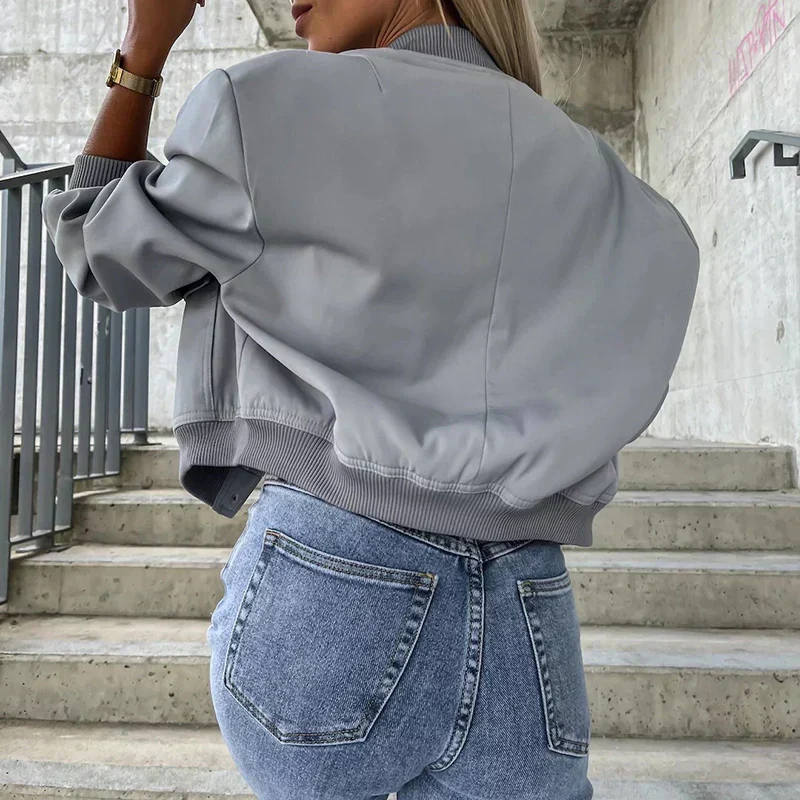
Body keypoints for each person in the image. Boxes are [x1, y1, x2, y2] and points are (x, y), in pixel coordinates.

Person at [41, 0, 700, 797]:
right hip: (530, 607)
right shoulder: (609, 188)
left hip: (329, 590)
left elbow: (92, 242)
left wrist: (145, 47)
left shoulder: (264, 111)